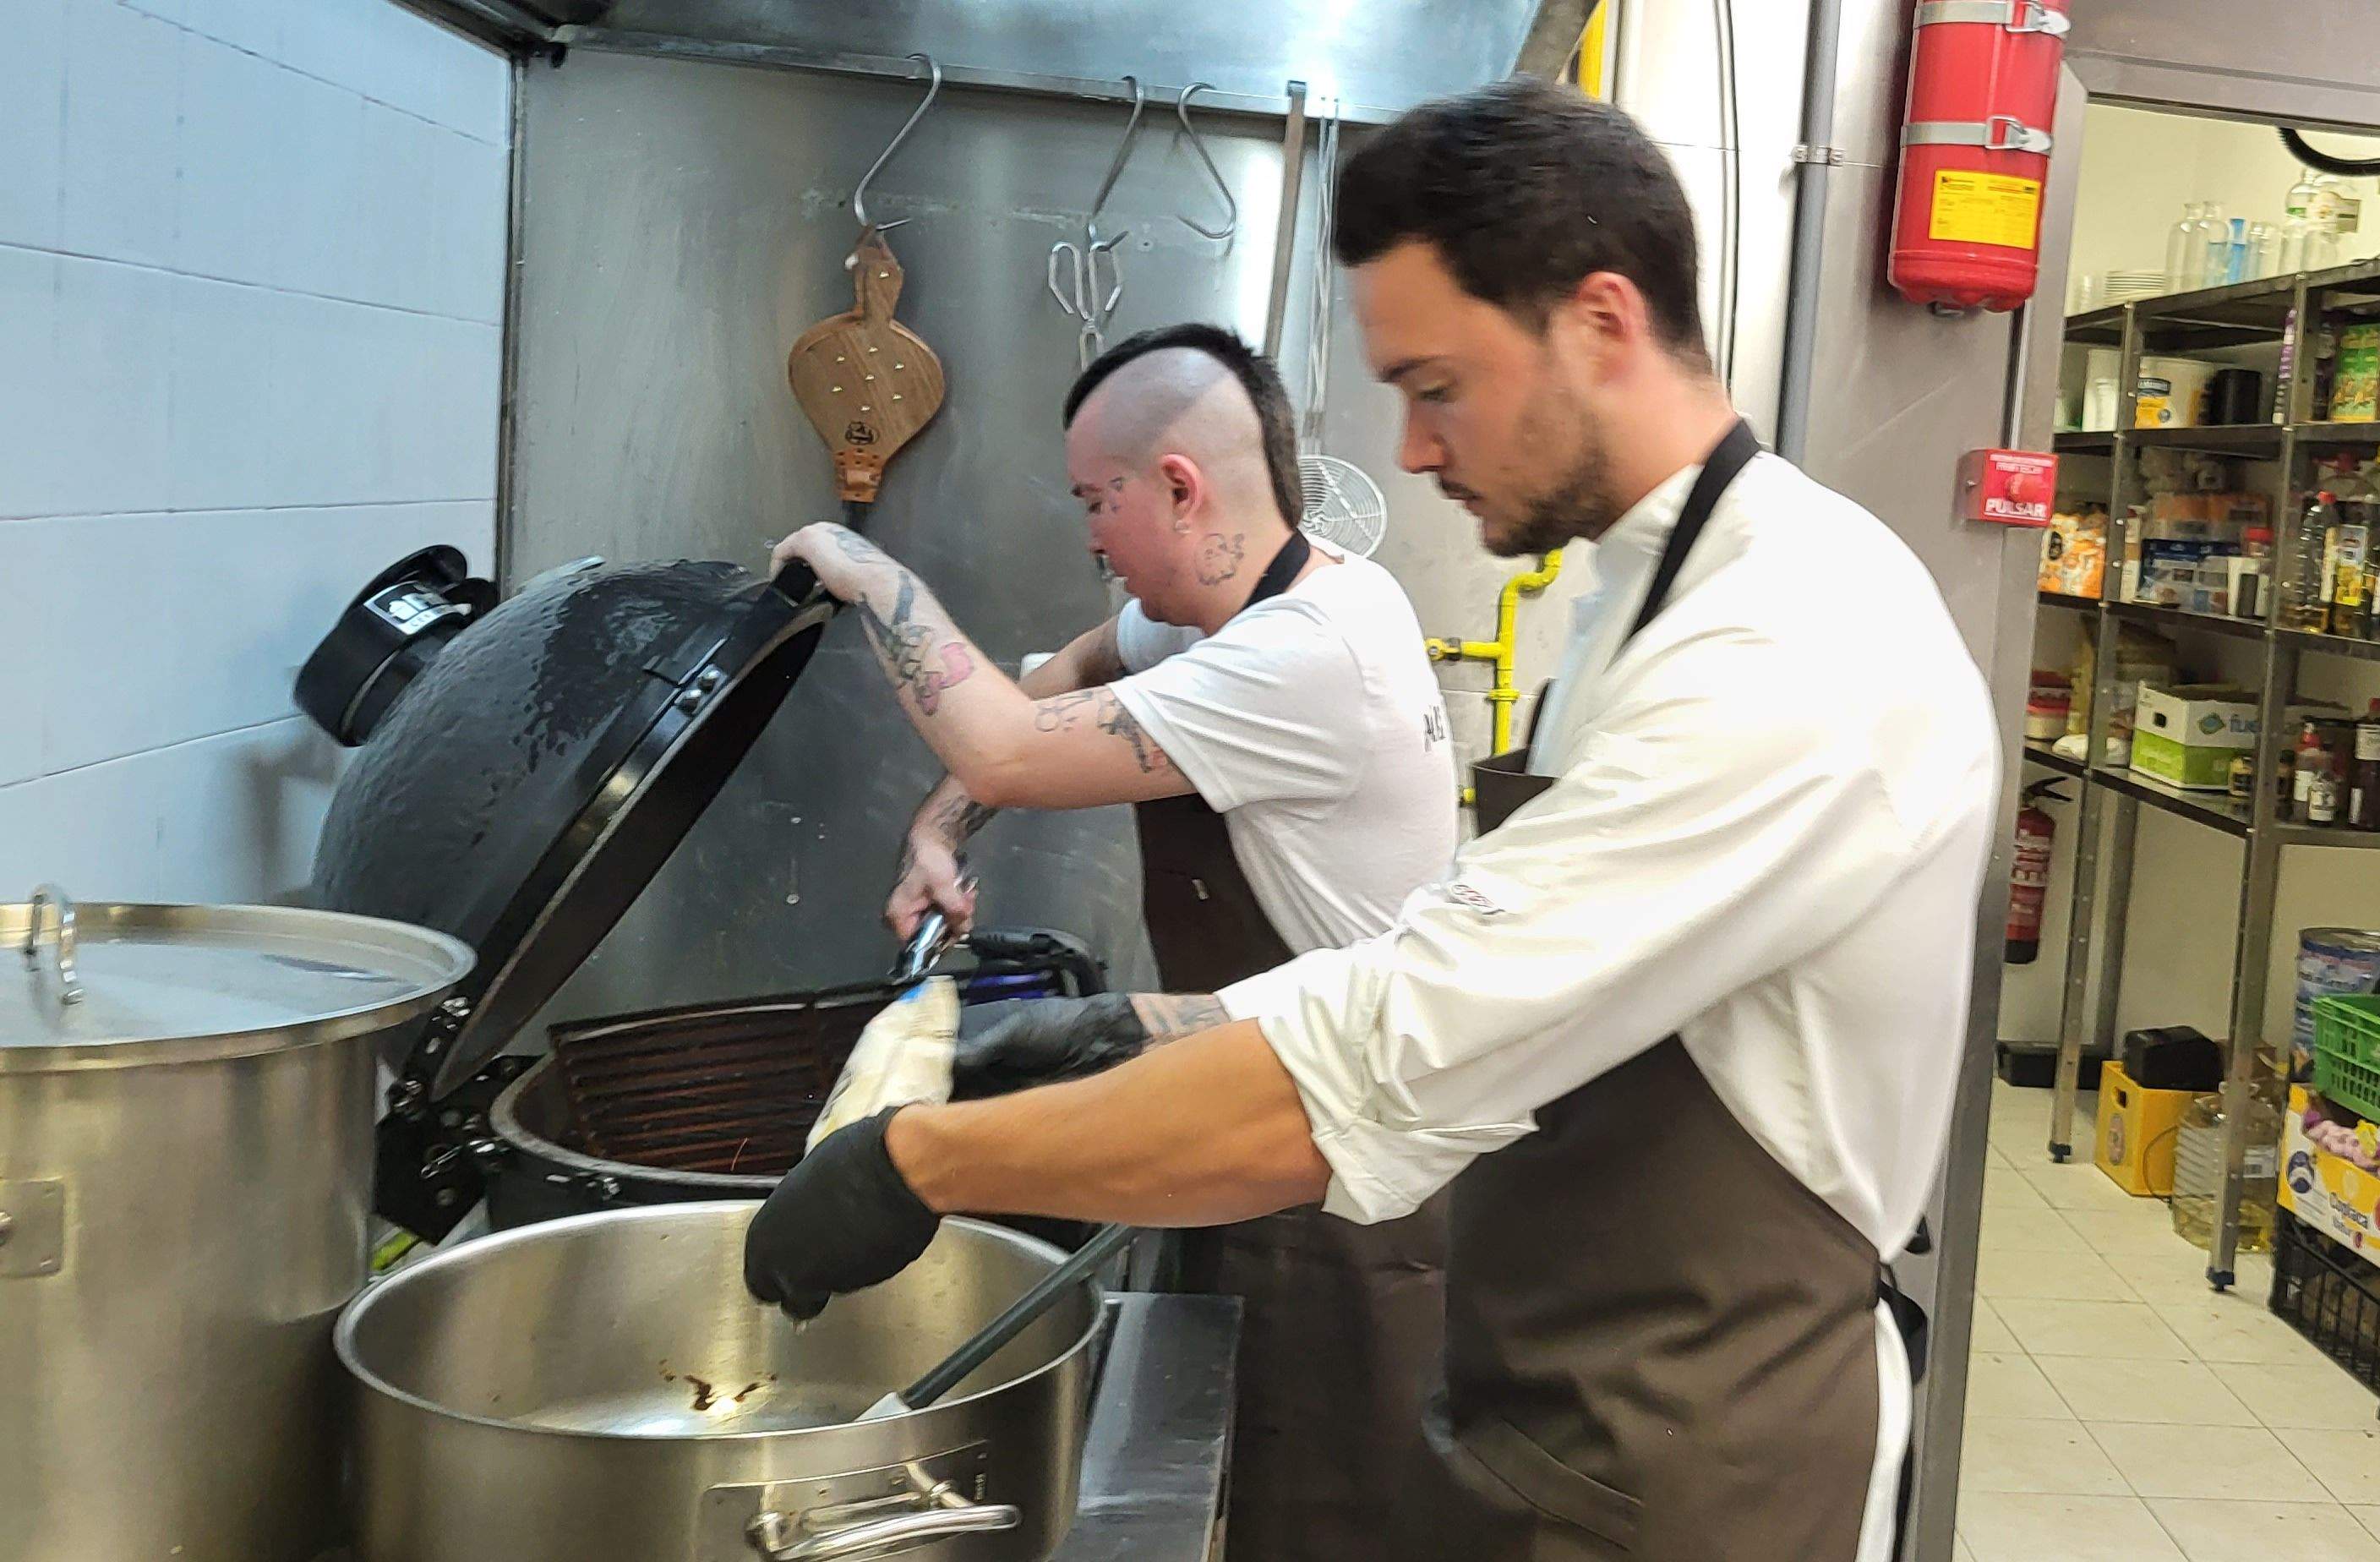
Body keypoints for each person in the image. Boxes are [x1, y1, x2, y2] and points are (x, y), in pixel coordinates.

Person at [748, 79, 2001, 1561]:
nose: (1407, 451)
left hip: (1704, 1465)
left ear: (1601, 324)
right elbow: (1478, 951)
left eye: (1438, 386)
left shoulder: (1791, 649)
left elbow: (1385, 1054)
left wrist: (922, 1165)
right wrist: (1136, 1035)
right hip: (1578, 1404)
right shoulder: (1639, 598)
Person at [767, 322, 1456, 1562]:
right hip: (1242, 1108)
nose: (1089, 532)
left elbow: (1009, 746)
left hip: (1338, 1187)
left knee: (1311, 1521)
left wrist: (870, 575)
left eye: (1099, 499)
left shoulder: (1310, 653)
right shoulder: (1230, 615)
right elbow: (1065, 677)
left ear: (1180, 488)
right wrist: (940, 830)